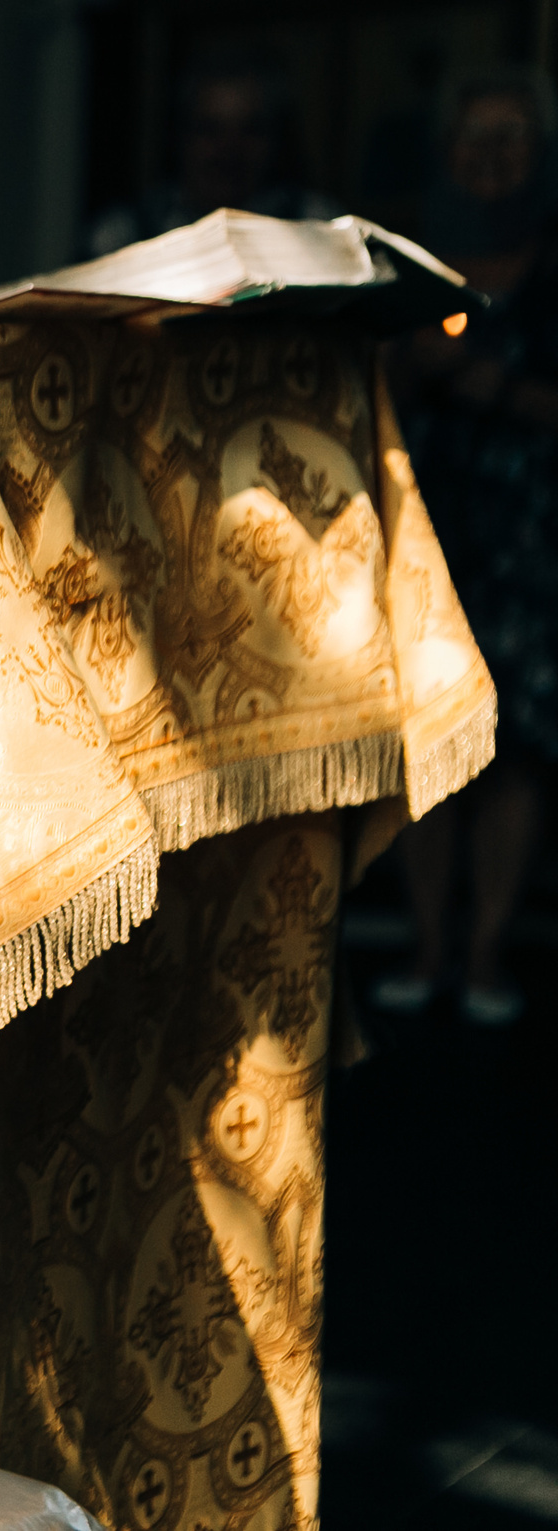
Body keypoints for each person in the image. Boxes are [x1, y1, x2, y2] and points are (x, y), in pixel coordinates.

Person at [374, 65, 558, 1028]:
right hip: (424, 526)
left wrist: (478, 382)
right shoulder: (409, 265)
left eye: (511, 141)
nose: (491, 160)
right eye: (474, 140)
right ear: (448, 155)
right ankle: (426, 943)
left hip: (529, 535)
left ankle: (486, 950)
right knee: (431, 739)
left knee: (515, 746)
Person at [87, 50, 341, 255]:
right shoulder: (123, 235)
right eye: (209, 130)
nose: (230, 149)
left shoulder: (321, 227)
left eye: (251, 130)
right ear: (181, 136)